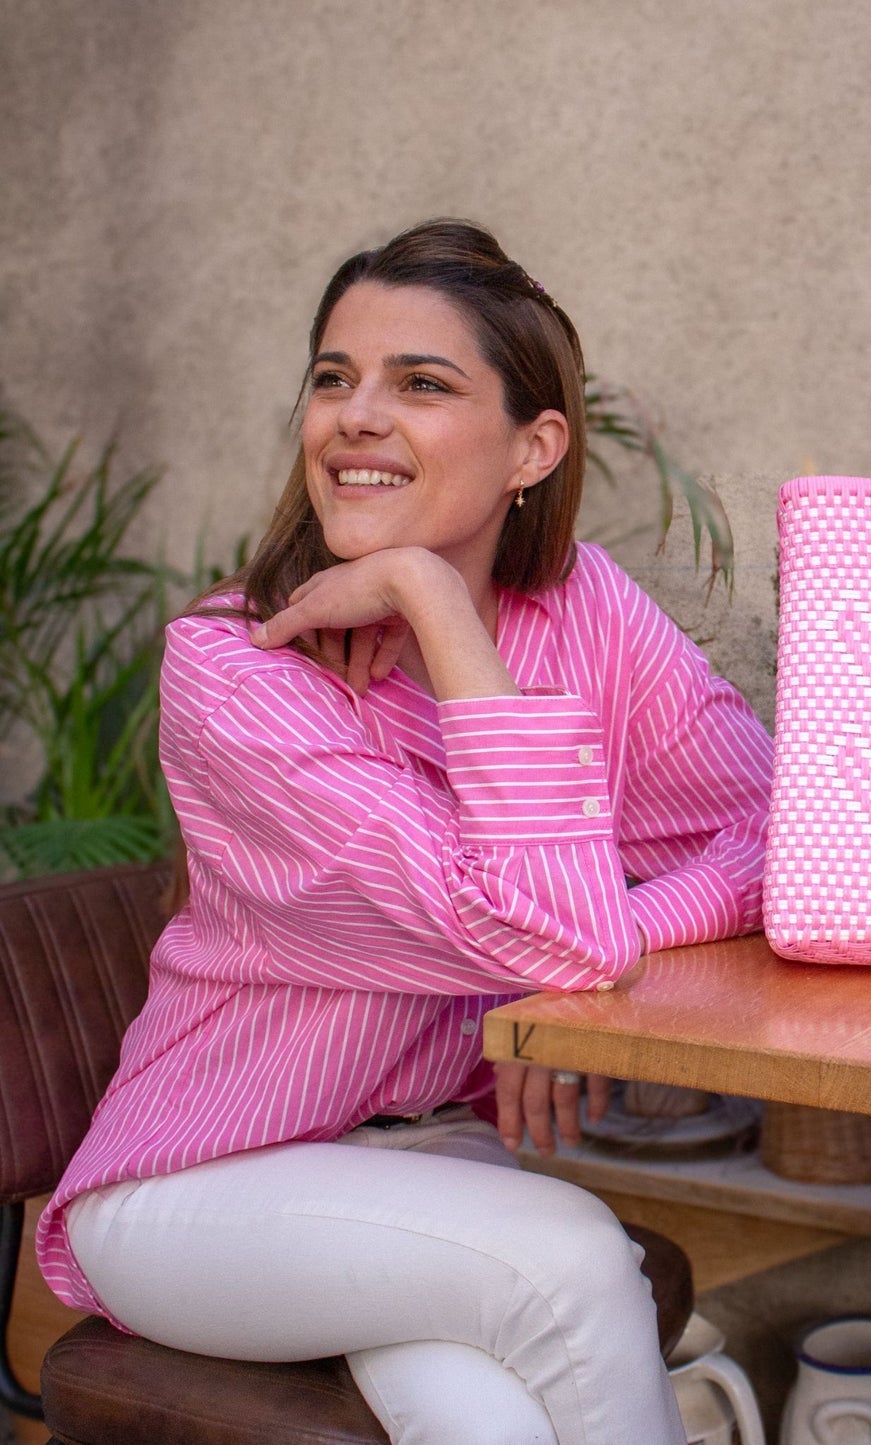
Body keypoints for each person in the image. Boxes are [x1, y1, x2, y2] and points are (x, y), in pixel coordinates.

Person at [36, 219, 774, 1445]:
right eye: (334, 378)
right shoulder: (237, 670)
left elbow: (766, 827)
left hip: (424, 1160)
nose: (355, 414)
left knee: (496, 1423)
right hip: (195, 1185)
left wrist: (584, 972)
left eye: (419, 383)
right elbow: (535, 929)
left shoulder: (582, 609)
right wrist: (434, 591)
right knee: (575, 1259)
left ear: (532, 446)